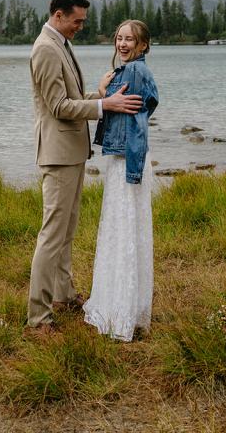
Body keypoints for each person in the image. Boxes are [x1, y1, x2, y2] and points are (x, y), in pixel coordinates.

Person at [26, 0, 142, 337]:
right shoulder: (46, 49)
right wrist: (105, 107)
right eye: (77, 21)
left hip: (72, 153)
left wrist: (102, 96)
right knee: (52, 235)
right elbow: (59, 107)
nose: (81, 26)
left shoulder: (61, 43)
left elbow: (72, 99)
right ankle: (38, 318)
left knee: (66, 231)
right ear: (58, 15)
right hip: (58, 156)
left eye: (83, 21)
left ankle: (62, 295)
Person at [83, 19, 159, 342]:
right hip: (120, 156)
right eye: (119, 38)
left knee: (126, 226)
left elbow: (148, 103)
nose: (123, 44)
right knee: (119, 226)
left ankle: (123, 311)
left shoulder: (137, 72)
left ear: (143, 46)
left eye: (130, 39)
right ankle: (117, 301)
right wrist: (104, 93)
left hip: (128, 158)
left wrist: (103, 94)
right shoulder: (122, 72)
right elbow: (119, 108)